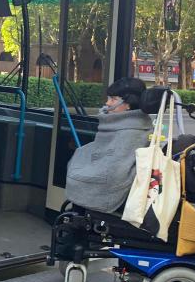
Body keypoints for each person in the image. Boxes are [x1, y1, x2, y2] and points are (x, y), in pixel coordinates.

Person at [65, 77, 154, 213]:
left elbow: (116, 170)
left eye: (113, 99)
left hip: (112, 183)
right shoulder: (114, 124)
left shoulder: (132, 132)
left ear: (128, 104)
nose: (107, 103)